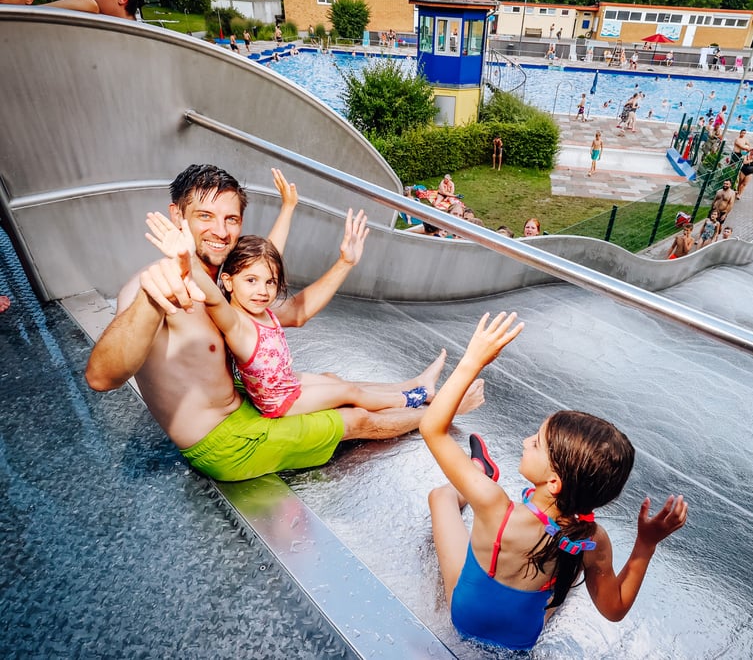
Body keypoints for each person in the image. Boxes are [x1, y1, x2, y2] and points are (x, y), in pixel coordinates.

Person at [85, 164, 483, 483]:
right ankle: (443, 411)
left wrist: (304, 223)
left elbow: (273, 279)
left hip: (243, 402)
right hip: (224, 441)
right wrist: (153, 299)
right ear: (177, 216)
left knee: (332, 379)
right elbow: (102, 377)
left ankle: (418, 388)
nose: (221, 232)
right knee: (355, 417)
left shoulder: (220, 277)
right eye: (204, 216)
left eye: (231, 219)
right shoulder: (153, 286)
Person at [422, 312, 688, 651]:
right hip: (522, 640)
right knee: (560, 574)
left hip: (465, 618)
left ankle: (477, 471)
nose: (525, 441)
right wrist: (646, 543)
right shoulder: (592, 540)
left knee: (440, 498)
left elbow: (432, 428)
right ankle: (474, 475)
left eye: (536, 442)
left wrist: (473, 359)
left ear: (554, 481)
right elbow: (614, 608)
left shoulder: (494, 506)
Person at [144, 207, 440, 417]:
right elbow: (212, 298)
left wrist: (345, 258)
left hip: (288, 384)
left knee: (333, 378)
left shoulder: (262, 309)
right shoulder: (236, 323)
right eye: (251, 281)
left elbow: (270, 254)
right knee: (350, 393)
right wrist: (187, 257)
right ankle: (418, 398)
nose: (263, 290)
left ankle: (412, 384)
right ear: (228, 281)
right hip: (279, 402)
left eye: (270, 282)